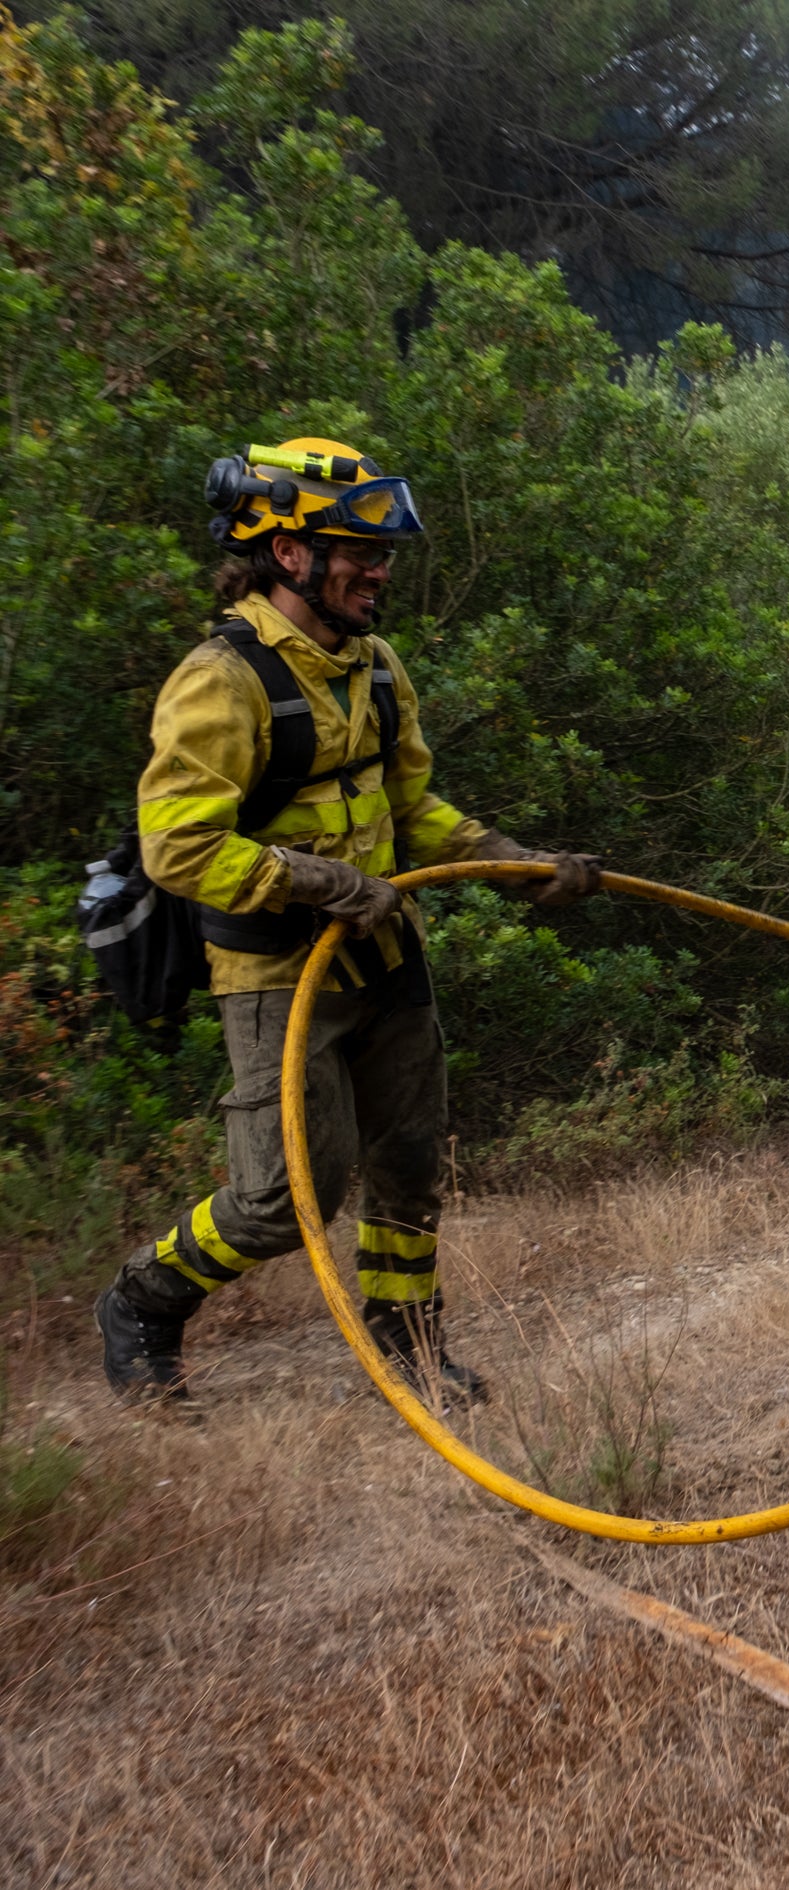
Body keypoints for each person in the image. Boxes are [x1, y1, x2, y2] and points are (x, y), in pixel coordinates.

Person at [95, 438, 600, 1410]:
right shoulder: (220, 679)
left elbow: (412, 808)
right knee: (286, 1199)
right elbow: (177, 847)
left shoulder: (374, 667)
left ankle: (407, 1346)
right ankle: (142, 1300)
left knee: (409, 1167)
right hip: (279, 977)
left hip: (387, 959)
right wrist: (315, 882)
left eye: (383, 555)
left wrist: (514, 861)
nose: (379, 573)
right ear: (289, 554)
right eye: (359, 552)